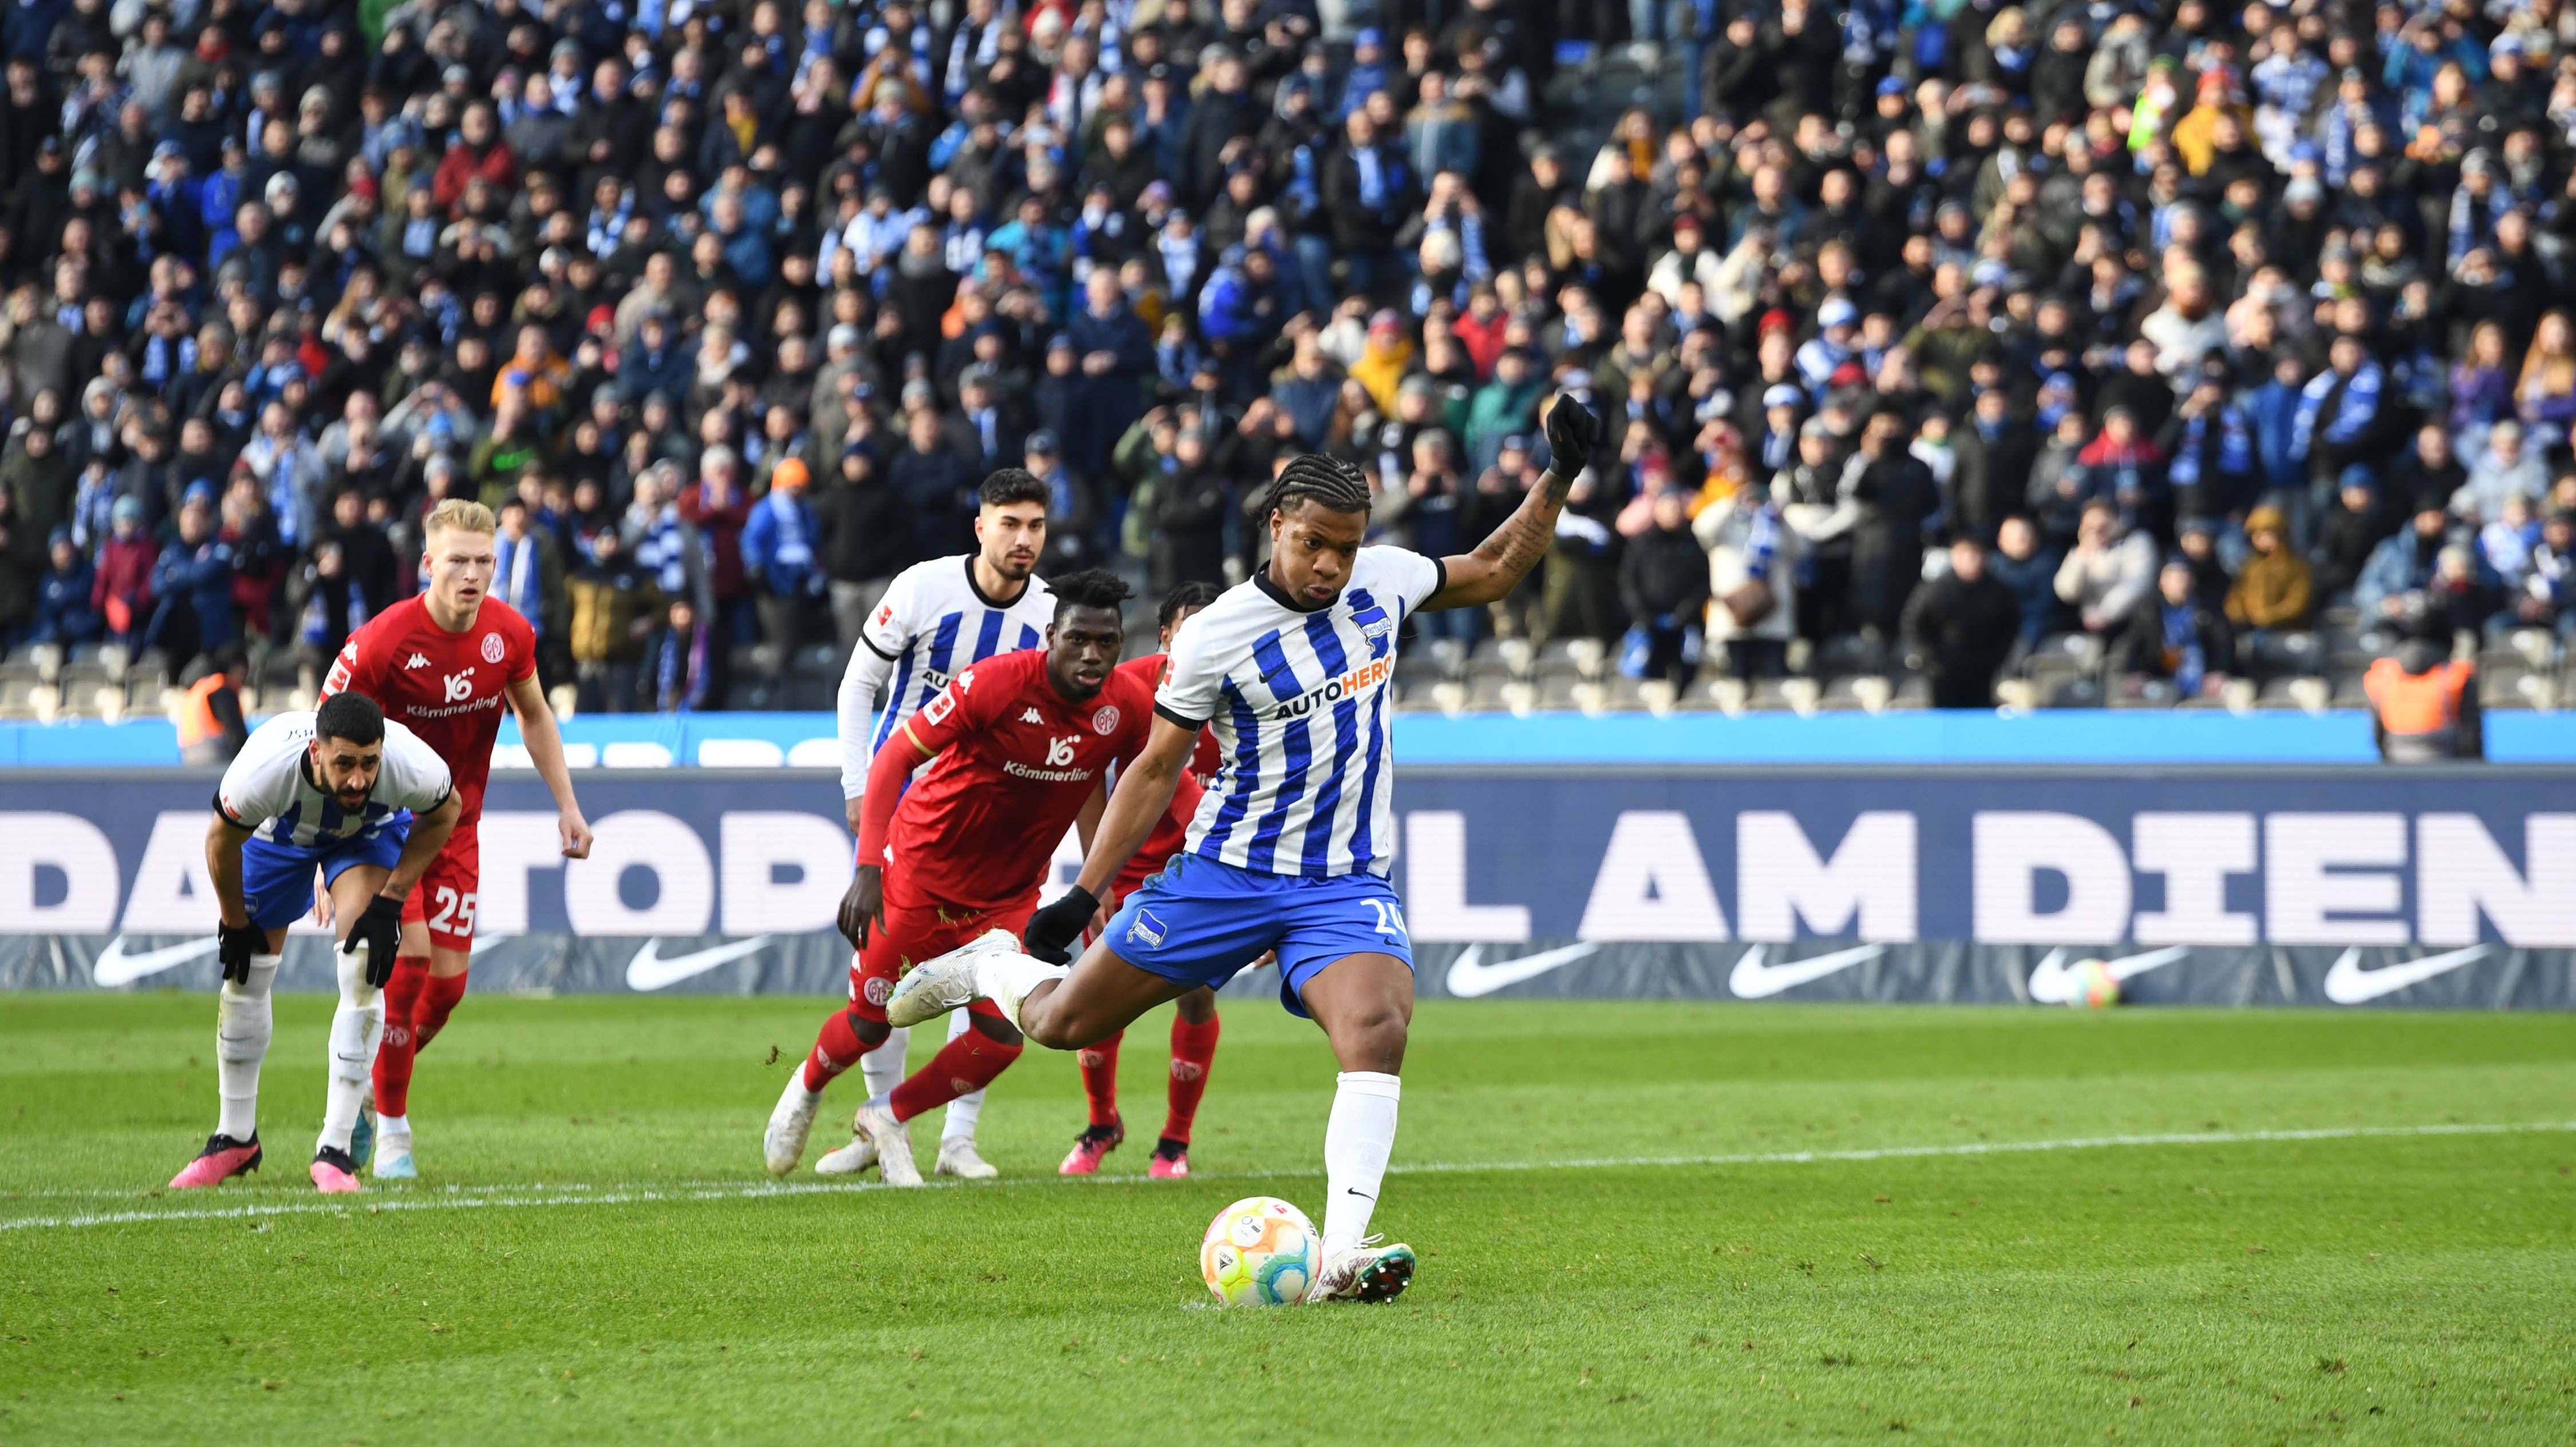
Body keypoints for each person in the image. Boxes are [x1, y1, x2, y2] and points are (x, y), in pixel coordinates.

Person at [882, 397, 1606, 1305]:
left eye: (1347, 546)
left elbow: (1495, 568)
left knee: (1378, 1029)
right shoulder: (1220, 632)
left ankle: (1341, 1252)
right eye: (1315, 544)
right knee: (1065, 1024)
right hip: (1224, 875)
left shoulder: (1383, 581)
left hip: (1341, 883)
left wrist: (1559, 475)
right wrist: (1084, 892)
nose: (1333, 567)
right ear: (1277, 527)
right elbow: (1154, 768)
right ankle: (992, 965)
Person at [767, 570, 1154, 1186]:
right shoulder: (996, 683)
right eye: (1078, 638)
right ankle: (808, 1084)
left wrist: (1096, 879)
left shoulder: (1123, 707)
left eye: (1107, 642)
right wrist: (869, 865)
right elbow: (895, 754)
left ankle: (885, 1115)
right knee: (869, 1022)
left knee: (1004, 1037)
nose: (1093, 654)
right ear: (1051, 635)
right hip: (920, 873)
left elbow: (1099, 777)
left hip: (1006, 896)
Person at [319, 499, 595, 1180]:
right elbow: (321, 738)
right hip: (385, 829)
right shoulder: (382, 642)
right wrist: (319, 848)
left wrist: (568, 804)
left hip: (459, 827)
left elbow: (533, 715)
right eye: (458, 562)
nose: (472, 575)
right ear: (427, 564)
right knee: (404, 965)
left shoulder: (510, 634)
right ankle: (393, 1135)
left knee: (443, 994)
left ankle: (363, 1085)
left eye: (484, 562)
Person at [820, 468, 1057, 1177]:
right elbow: (858, 684)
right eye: (1009, 523)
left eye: (1035, 525)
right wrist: (860, 786)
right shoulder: (923, 587)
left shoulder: (1050, 612)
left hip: (996, 820)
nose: (1023, 538)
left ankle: (957, 1138)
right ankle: (879, 1126)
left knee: (986, 966)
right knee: (889, 971)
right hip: (909, 808)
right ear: (980, 526)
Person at [168, 693, 460, 1195]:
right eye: (344, 763)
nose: (358, 779)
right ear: (316, 752)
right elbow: (220, 842)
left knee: (365, 967)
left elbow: (446, 811)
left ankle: (336, 1150)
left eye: (369, 763)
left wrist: (392, 898)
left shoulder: (407, 763)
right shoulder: (265, 771)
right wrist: (234, 923)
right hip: (280, 835)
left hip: (367, 836)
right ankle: (234, 1137)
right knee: (245, 977)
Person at [1056, 582, 1228, 1179]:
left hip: (1200, 874)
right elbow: (1086, 775)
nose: (1208, 639)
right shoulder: (1129, 687)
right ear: (1166, 636)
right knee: (1097, 1001)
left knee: (1196, 994)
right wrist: (1094, 878)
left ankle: (1174, 1142)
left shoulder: (1252, 687)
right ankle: (1102, 1122)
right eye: (1192, 628)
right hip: (1125, 868)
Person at [1900, 537, 2021, 708]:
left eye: (1976, 556)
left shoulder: (1998, 591)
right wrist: (1930, 657)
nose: (1972, 562)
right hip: (1942, 671)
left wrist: (1995, 658)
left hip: (1982, 670)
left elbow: (2010, 626)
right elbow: (1913, 623)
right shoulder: (1935, 589)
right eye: (1966, 556)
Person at [2365, 610, 2482, 762]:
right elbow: (2470, 736)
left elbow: (2378, 734)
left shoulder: (2382, 675)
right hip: (2447, 768)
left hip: (2397, 766)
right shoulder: (2457, 675)